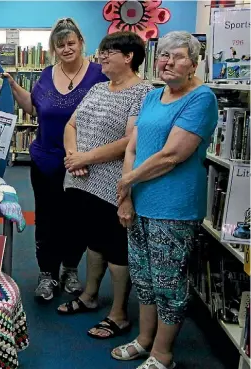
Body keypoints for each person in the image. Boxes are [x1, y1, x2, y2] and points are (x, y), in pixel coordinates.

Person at [112, 31, 218, 369]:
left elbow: (172, 155)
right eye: (164, 56)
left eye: (178, 57)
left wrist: (126, 179)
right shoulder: (153, 97)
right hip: (138, 202)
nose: (168, 62)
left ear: (194, 64)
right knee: (143, 278)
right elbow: (132, 147)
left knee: (168, 283)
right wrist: (126, 196)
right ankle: (144, 340)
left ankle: (163, 353)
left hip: (173, 208)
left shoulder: (201, 99)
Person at [56, 32, 154, 340]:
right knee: (93, 242)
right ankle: (90, 295)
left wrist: (86, 156)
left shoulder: (143, 92)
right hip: (81, 179)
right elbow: (71, 124)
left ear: (128, 57)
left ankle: (119, 314)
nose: (101, 57)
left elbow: (130, 141)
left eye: (108, 52)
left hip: (113, 183)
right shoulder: (98, 88)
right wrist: (73, 156)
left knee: (116, 248)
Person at [3, 18, 108, 301]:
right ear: (54, 48)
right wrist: (13, 86)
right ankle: (47, 274)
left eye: (71, 43)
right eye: (60, 45)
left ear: (80, 43)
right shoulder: (47, 75)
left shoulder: (100, 74)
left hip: (84, 163)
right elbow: (35, 110)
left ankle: (70, 269)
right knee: (47, 219)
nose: (66, 49)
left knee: (77, 219)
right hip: (45, 160)